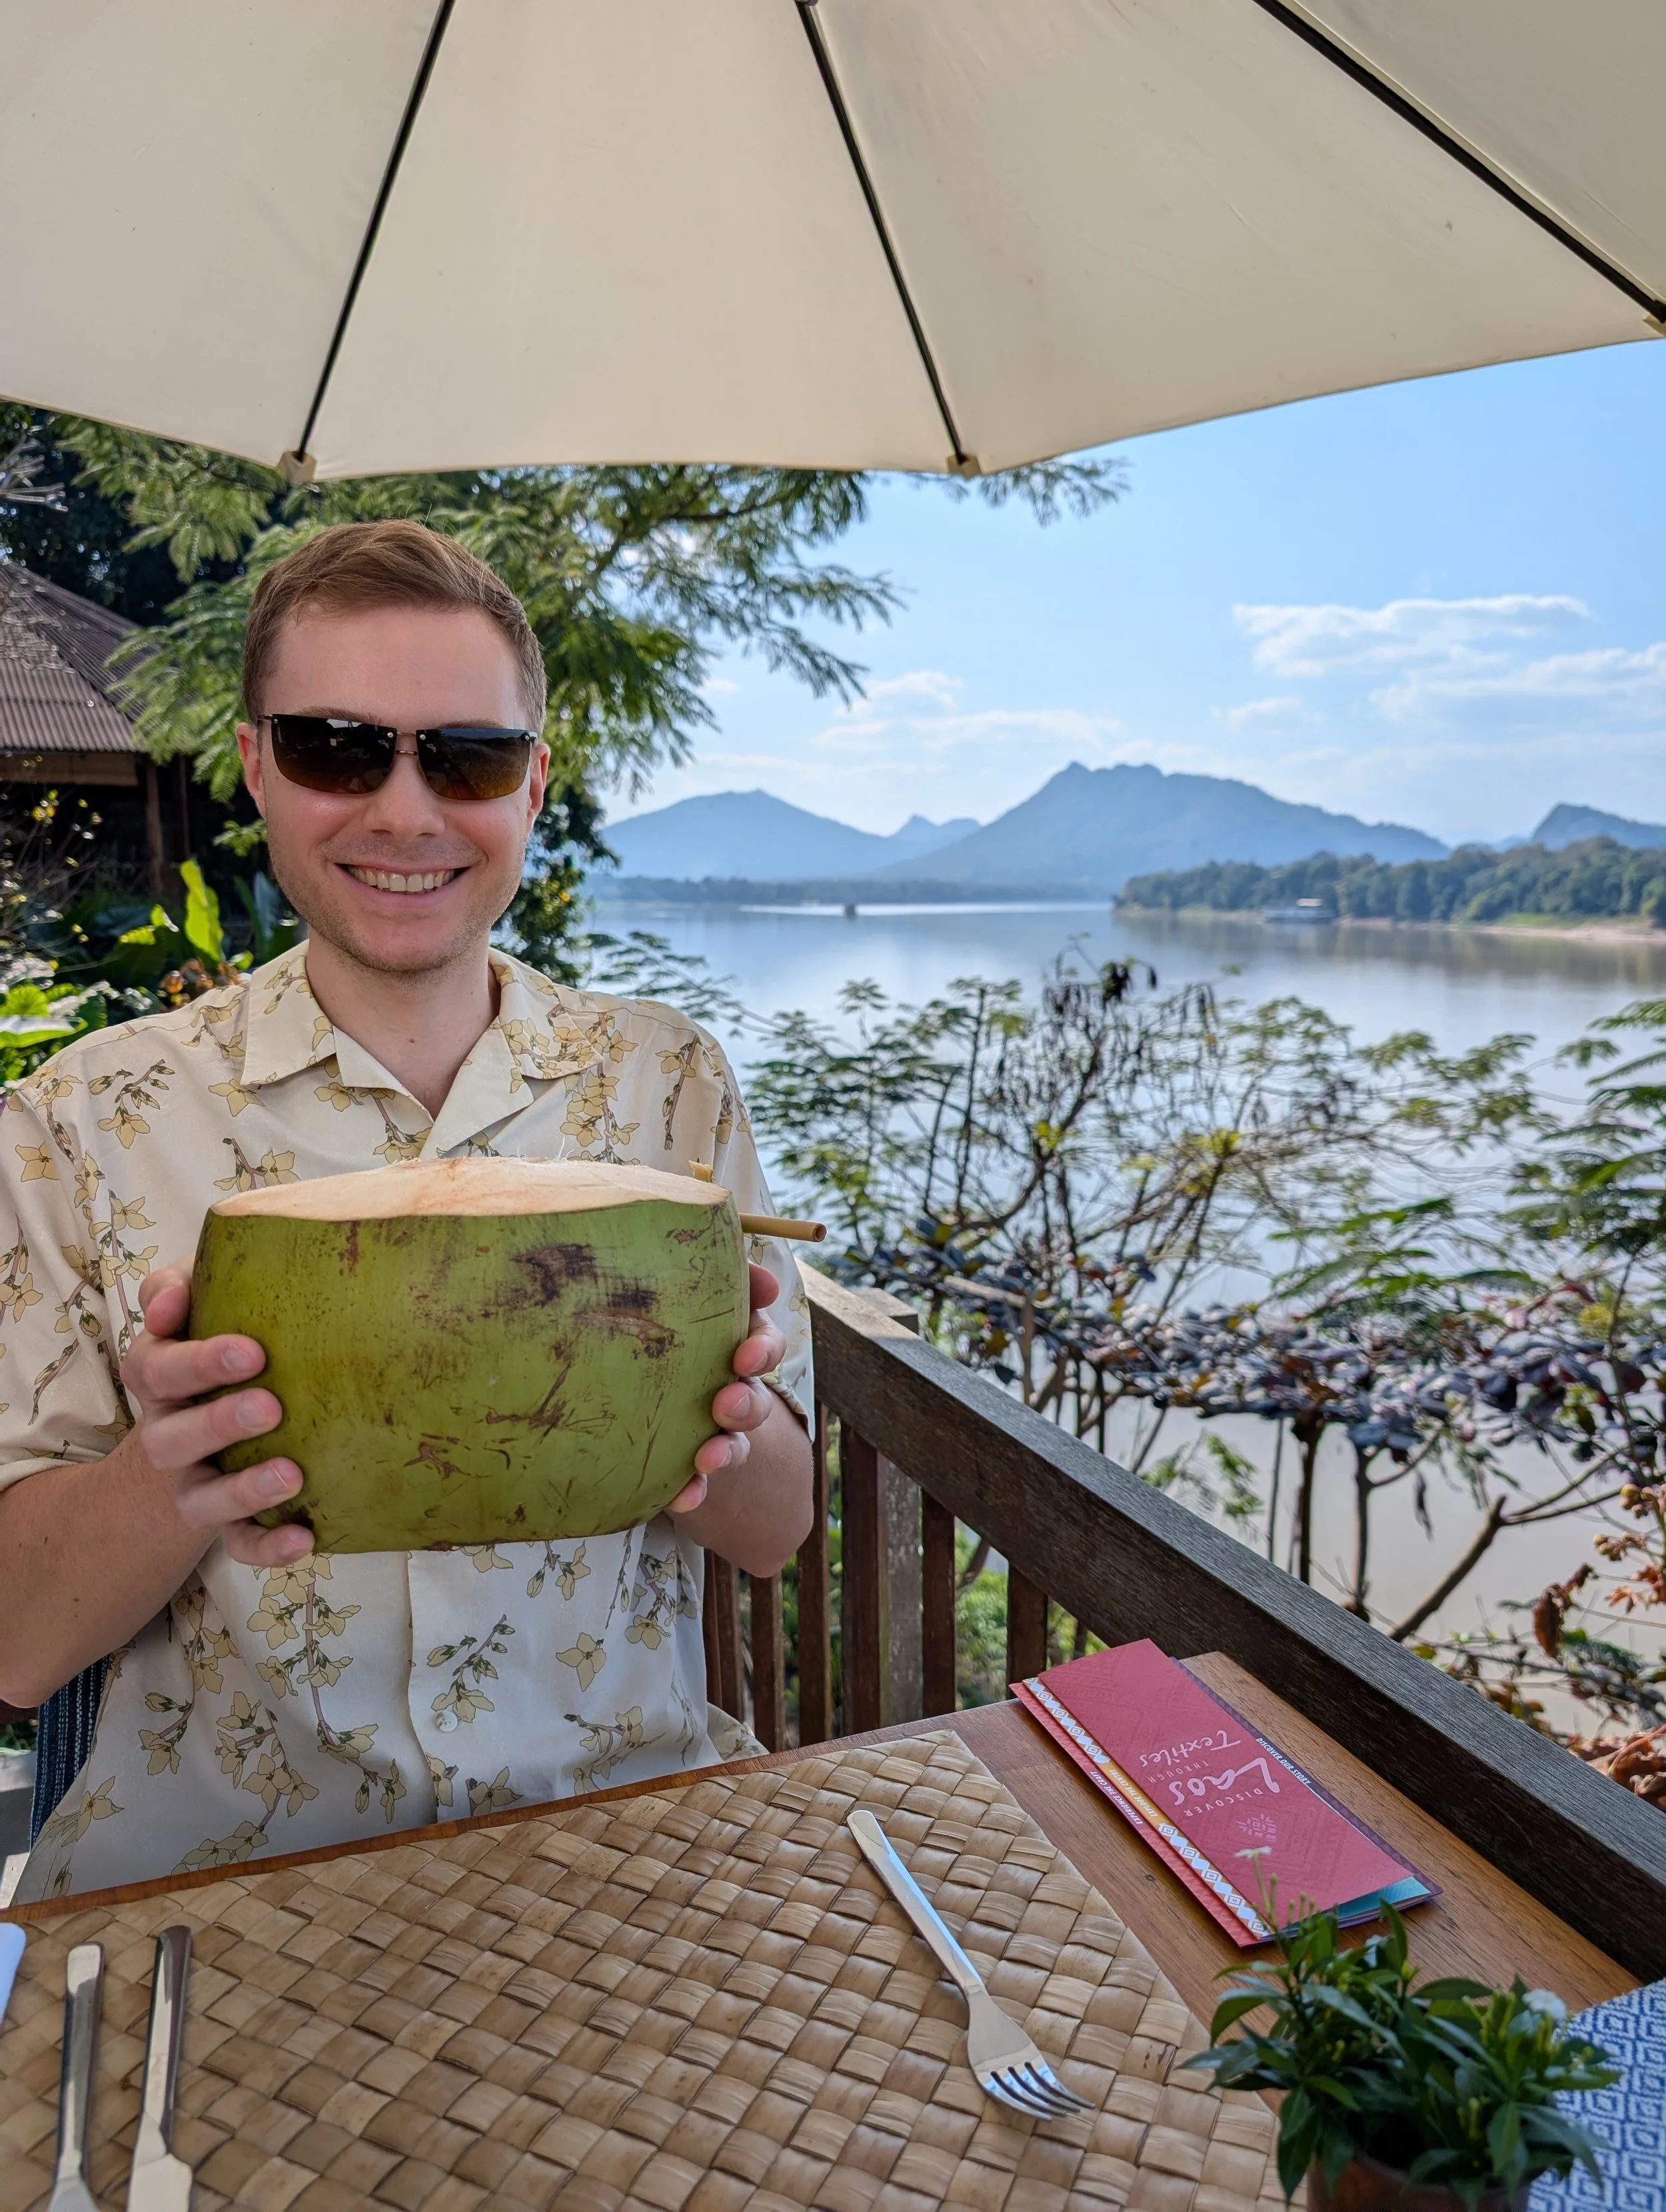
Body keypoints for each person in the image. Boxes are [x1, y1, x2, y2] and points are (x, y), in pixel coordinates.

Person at [0, 520, 814, 1900]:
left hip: (619, 1844)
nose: (403, 810)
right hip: (219, 1878)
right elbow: (18, 1645)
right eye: (336, 746)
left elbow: (776, 1531)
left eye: (467, 756)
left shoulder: (668, 1084)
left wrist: (713, 1414)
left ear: (532, 785)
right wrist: (175, 1466)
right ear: (256, 764)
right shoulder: (82, 1124)